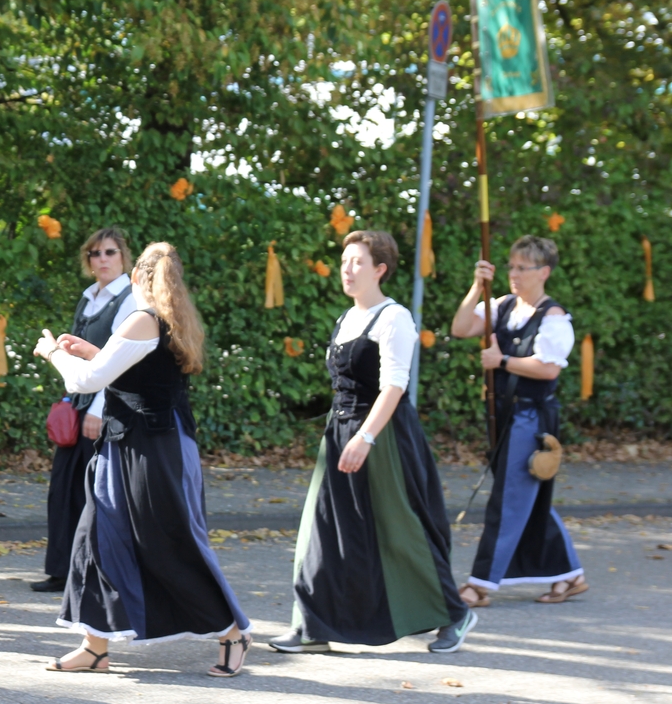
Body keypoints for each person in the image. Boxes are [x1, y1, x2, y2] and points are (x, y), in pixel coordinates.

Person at [34, 243, 251, 677]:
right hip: (133, 445)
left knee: (167, 543)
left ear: (136, 277)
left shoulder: (143, 319)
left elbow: (85, 383)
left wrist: (53, 352)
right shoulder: (163, 320)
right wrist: (90, 351)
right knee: (97, 537)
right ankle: (95, 646)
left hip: (151, 451)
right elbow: (128, 372)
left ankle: (232, 632)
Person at [272, 230, 476, 655]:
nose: (347, 270)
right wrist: (345, 434)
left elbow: (395, 386)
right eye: (344, 261)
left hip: (383, 439)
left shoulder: (394, 317)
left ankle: (454, 613)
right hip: (340, 432)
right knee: (323, 529)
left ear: (380, 269)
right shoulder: (346, 318)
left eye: (358, 262)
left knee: (400, 531)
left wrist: (365, 437)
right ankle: (312, 626)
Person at [450, 236, 585, 605]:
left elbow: (548, 368)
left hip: (531, 417)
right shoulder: (504, 305)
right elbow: (461, 328)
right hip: (504, 413)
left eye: (522, 268)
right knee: (526, 496)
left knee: (509, 498)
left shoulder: (553, 317)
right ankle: (569, 575)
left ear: (544, 272)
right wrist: (476, 287)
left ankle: (480, 585)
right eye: (511, 266)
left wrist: (503, 361)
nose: (513, 273)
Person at [36, 226, 138, 593]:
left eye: (110, 252)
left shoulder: (129, 300)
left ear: (123, 256)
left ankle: (92, 574)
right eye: (96, 253)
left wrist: (98, 407)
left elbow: (119, 361)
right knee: (63, 489)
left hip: (105, 408)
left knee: (93, 494)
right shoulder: (89, 297)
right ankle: (62, 571)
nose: (103, 259)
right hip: (78, 401)